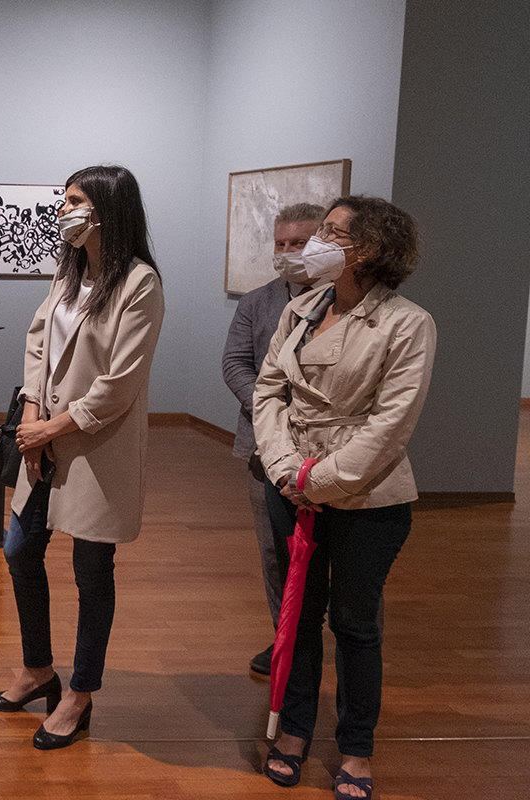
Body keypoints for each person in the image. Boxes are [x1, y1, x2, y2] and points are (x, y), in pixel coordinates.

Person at [254, 197, 435, 799]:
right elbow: (269, 391)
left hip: (367, 498)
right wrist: (285, 469)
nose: (315, 244)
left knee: (355, 624)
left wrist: (319, 482)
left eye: (331, 233)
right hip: (291, 483)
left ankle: (356, 747)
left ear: (370, 248)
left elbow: (391, 424)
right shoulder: (301, 309)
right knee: (298, 616)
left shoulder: (408, 324)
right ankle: (296, 731)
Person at [0, 165, 164, 750]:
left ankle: (79, 694)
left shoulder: (139, 284)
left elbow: (119, 385)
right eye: (65, 200)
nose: (64, 210)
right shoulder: (69, 273)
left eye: (75, 201)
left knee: (91, 571)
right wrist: (31, 416)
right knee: (20, 550)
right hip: (45, 439)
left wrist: (51, 430)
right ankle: (39, 670)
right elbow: (38, 344)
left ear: (107, 211)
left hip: (93, 448)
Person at [221, 203, 325, 675]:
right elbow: (235, 363)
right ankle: (285, 641)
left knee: (333, 557)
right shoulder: (257, 302)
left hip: (329, 451)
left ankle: (334, 641)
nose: (287, 252)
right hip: (264, 447)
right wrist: (270, 410)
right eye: (280, 244)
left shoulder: (346, 306)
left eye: (298, 243)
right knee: (275, 552)